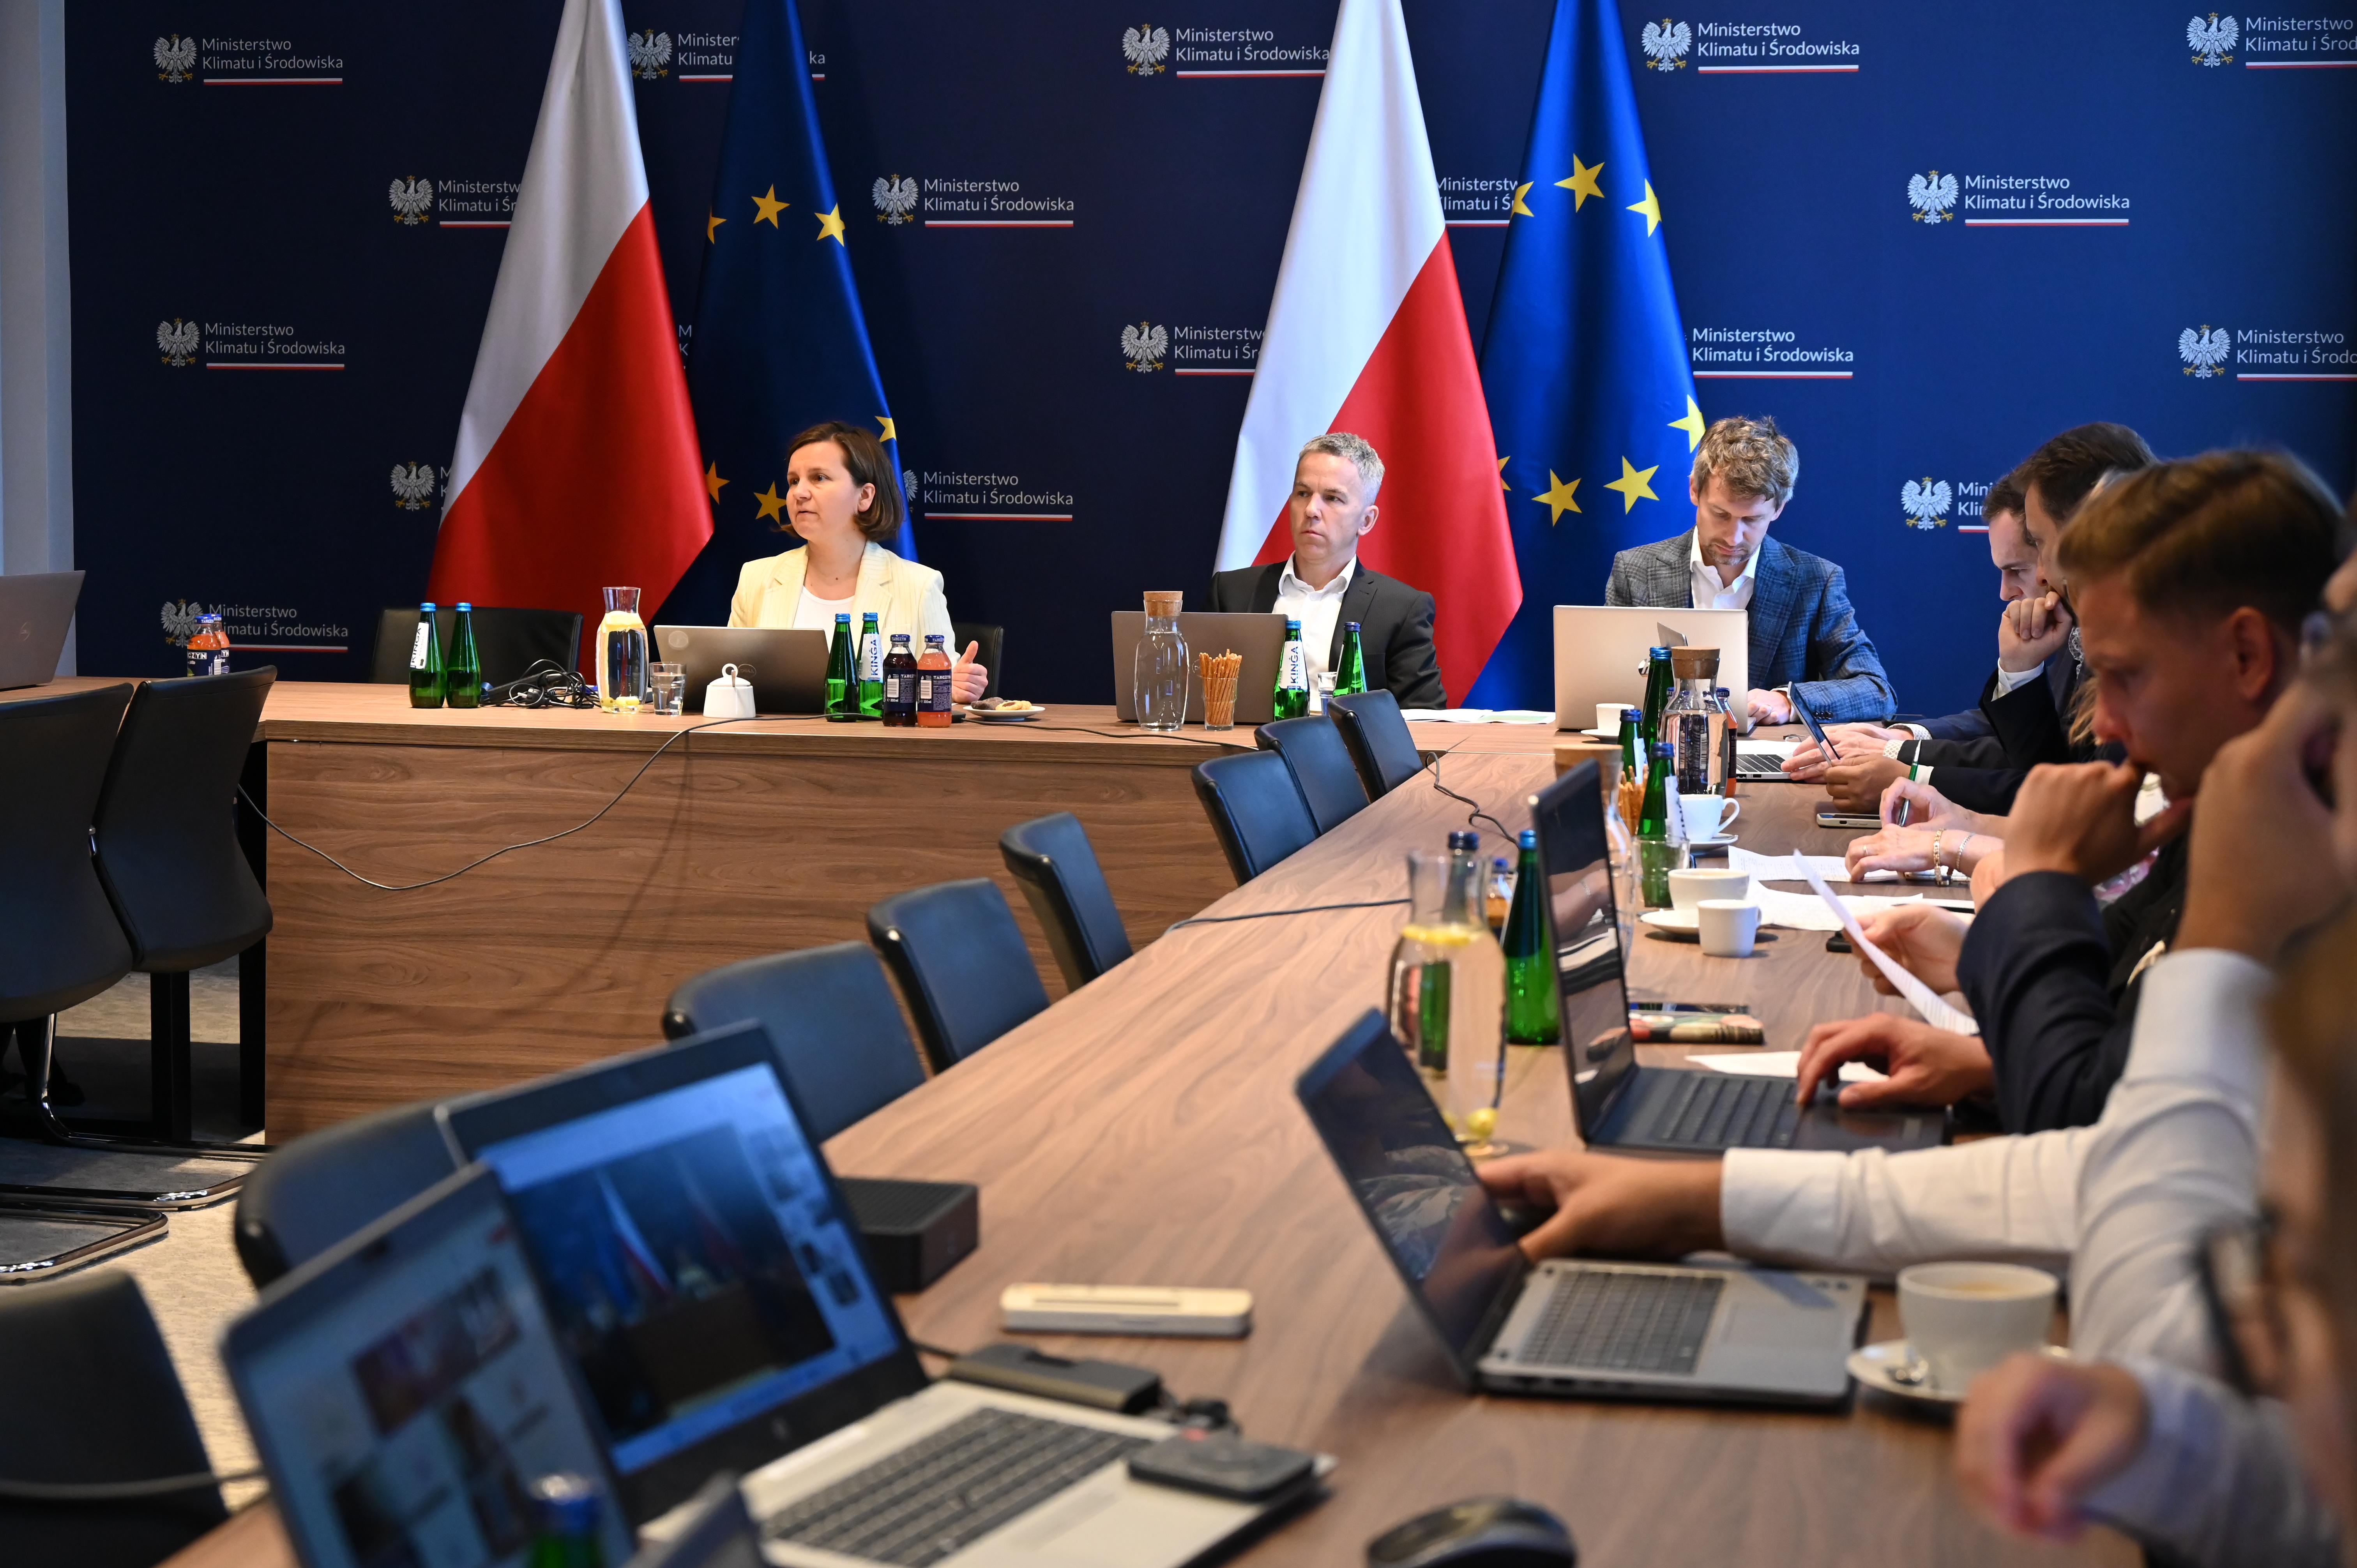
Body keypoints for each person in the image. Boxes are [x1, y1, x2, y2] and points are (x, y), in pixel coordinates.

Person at [1797, 452, 2341, 1133]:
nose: (2104, 724)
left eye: (2126, 676)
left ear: (2247, 657)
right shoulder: (2224, 810)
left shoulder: (2304, 867)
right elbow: (2119, 1046)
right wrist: (1975, 968)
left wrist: (2039, 886)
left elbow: (2097, 1124)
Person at [1805, 424, 2157, 812]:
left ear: (2090, 532)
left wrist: (1917, 782)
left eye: (2039, 546)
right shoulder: (2084, 626)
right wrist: (2019, 672)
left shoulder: (2143, 641)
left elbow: (2082, 801)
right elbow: (2049, 771)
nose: (2041, 574)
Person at [1603, 415, 1895, 724]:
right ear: (1694, 490)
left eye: (1752, 520)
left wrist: (1788, 701)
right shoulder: (1635, 570)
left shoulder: (1815, 581)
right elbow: (1605, 681)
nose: (1733, 538)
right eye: (1721, 514)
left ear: (1778, 509)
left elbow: (1876, 690)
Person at [729, 420, 987, 705]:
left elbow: (943, 687)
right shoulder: (757, 578)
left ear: (864, 496)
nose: (800, 493)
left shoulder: (918, 586)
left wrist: (956, 687)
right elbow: (729, 681)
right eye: (794, 481)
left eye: (819, 478)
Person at [1207, 433, 1445, 709]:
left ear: (1366, 521)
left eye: (1332, 498)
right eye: (1303, 494)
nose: (1311, 510)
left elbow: (1425, 717)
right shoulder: (1231, 592)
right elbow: (1199, 697)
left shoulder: (1401, 609)